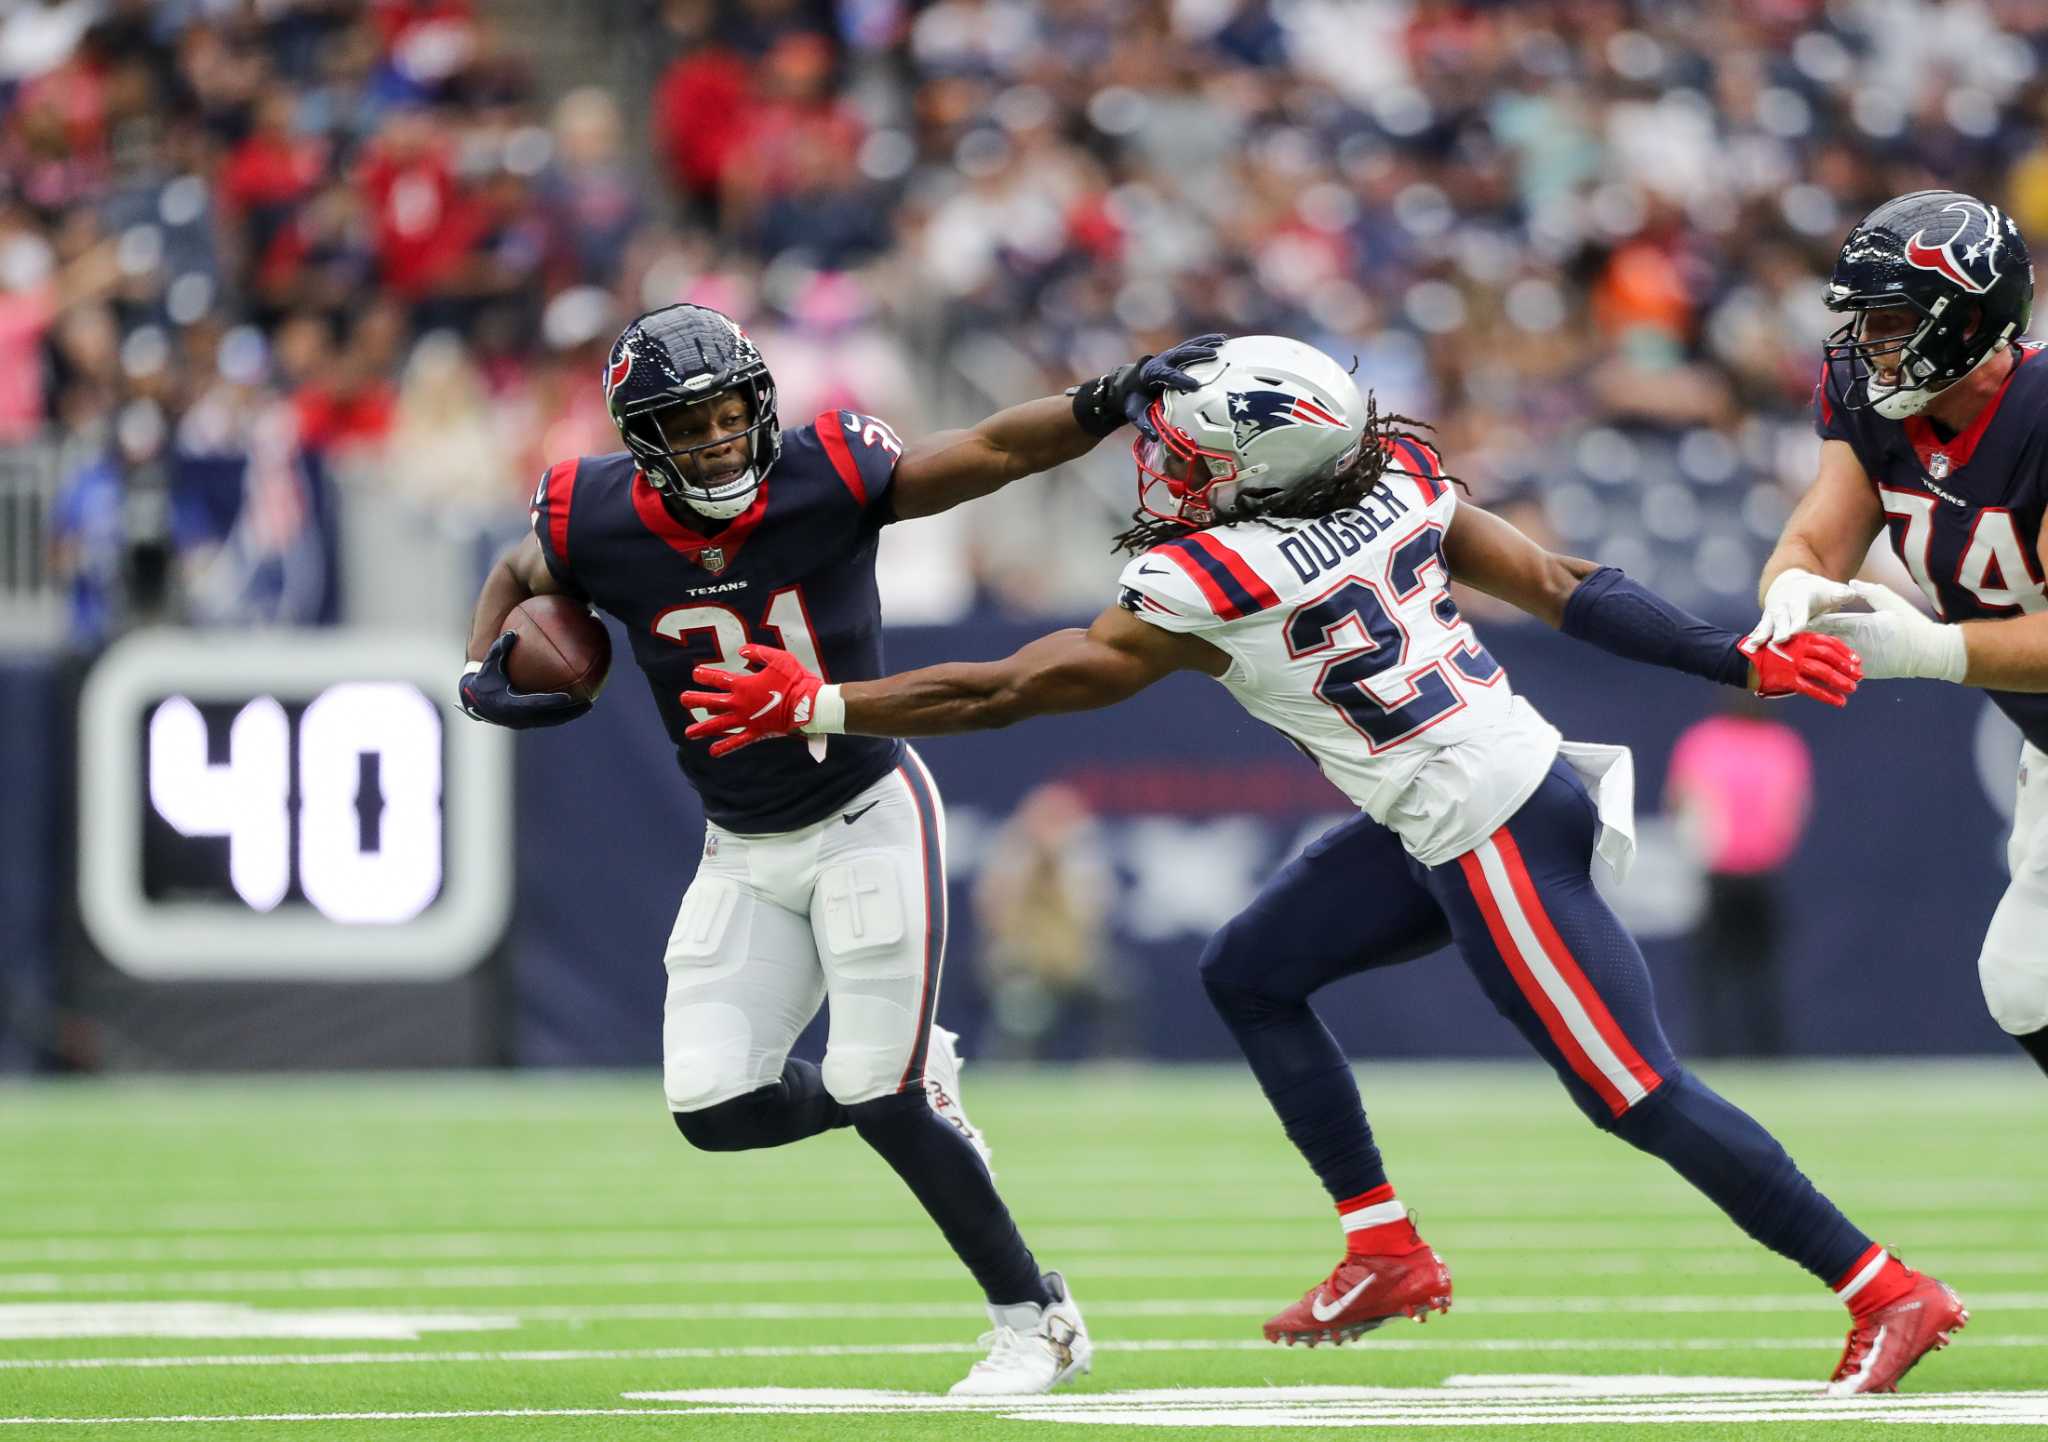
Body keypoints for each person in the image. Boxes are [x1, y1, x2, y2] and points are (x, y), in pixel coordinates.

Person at [684, 334, 1965, 1396]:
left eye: (1187, 458)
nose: (1161, 470)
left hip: (1489, 823)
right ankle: (1383, 1246)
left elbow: (1014, 688)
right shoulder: (1394, 473)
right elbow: (1564, 581)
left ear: (1253, 473)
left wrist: (823, 702)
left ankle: (1882, 1285)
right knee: (1248, 968)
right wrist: (1728, 657)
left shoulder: (1208, 572)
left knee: (1632, 1090)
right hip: (1456, 801)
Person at [457, 300, 1223, 1395]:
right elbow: (519, 569)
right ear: (642, 442)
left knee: (876, 1080)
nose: (717, 441)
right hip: (739, 840)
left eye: (729, 415)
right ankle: (916, 1077)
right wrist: (479, 667)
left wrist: (1105, 398)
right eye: (688, 426)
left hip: (867, 808)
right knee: (715, 1109)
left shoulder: (829, 471)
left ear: (761, 403)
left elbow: (994, 450)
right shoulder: (592, 515)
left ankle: (1034, 1317)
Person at [1749, 190, 2048, 1081]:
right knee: (2026, 983)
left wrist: (1934, 649)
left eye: (1891, 319)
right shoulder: (1875, 406)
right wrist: (1793, 594)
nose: (1867, 341)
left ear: (1967, 320)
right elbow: (1814, 540)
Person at [1664, 695, 1815, 1057]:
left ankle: (1713, 1053)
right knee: (1759, 969)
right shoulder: (1781, 743)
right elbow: (1792, 809)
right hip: (1760, 873)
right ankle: (1766, 1054)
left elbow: (1680, 800)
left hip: (1718, 872)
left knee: (1713, 971)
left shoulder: (1704, 740)